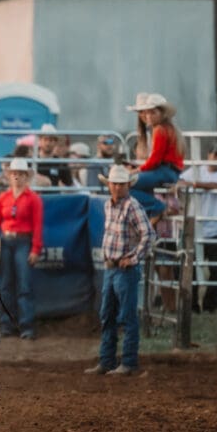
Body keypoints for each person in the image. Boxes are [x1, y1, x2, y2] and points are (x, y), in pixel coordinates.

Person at [85, 165, 153, 376]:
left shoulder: (132, 206)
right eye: (114, 184)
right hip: (112, 267)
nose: (116, 187)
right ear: (109, 185)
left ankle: (128, 361)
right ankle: (107, 360)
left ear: (127, 186)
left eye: (120, 184)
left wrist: (132, 258)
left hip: (124, 269)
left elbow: (148, 235)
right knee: (108, 315)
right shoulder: (109, 206)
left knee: (126, 316)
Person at [0, 158, 44, 340]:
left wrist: (35, 249)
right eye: (14, 174)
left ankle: (26, 325)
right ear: (9, 176)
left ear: (26, 177)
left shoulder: (33, 199)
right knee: (6, 284)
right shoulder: (3, 198)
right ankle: (7, 324)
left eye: (20, 174)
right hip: (7, 242)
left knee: (24, 285)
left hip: (23, 241)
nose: (16, 176)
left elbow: (37, 226)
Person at [178, 144, 217, 313]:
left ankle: (210, 305)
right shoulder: (197, 170)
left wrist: (196, 185)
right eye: (215, 155)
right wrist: (194, 184)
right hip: (196, 228)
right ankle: (193, 305)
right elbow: (180, 182)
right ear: (208, 154)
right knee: (191, 268)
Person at [129, 93, 183, 219]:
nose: (148, 116)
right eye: (147, 113)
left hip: (164, 171)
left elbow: (155, 159)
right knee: (137, 184)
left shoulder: (159, 129)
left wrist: (138, 170)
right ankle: (152, 211)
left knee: (127, 184)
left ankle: (157, 207)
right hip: (169, 172)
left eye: (153, 113)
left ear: (162, 113)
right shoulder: (170, 129)